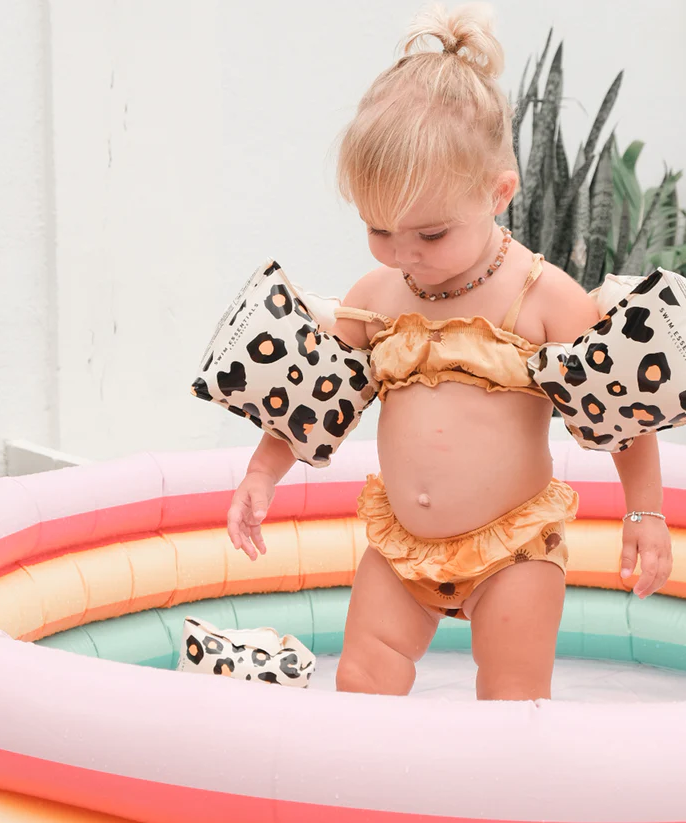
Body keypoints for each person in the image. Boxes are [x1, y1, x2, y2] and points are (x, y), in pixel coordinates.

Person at [226, 3, 672, 700]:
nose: (403, 253)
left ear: (499, 193)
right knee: (359, 678)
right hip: (401, 545)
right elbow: (314, 400)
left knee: (511, 700)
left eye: (429, 235)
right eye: (379, 229)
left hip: (513, 549)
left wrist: (643, 514)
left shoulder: (543, 297)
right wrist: (261, 473)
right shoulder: (377, 294)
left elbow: (622, 414)